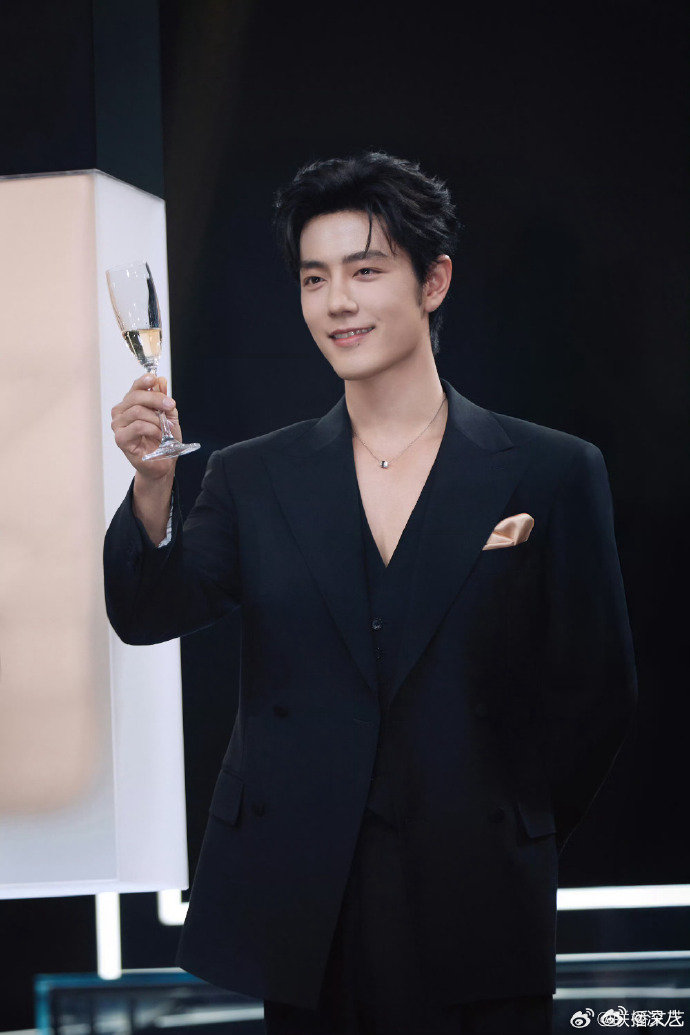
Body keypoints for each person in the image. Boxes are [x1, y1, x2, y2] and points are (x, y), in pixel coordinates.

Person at [104, 151, 637, 1035]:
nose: (337, 302)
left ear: (434, 282)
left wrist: (514, 825)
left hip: (481, 898)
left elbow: (599, 690)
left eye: (365, 270)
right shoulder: (254, 477)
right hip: (303, 907)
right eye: (315, 279)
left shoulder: (553, 470)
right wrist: (154, 485)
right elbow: (148, 611)